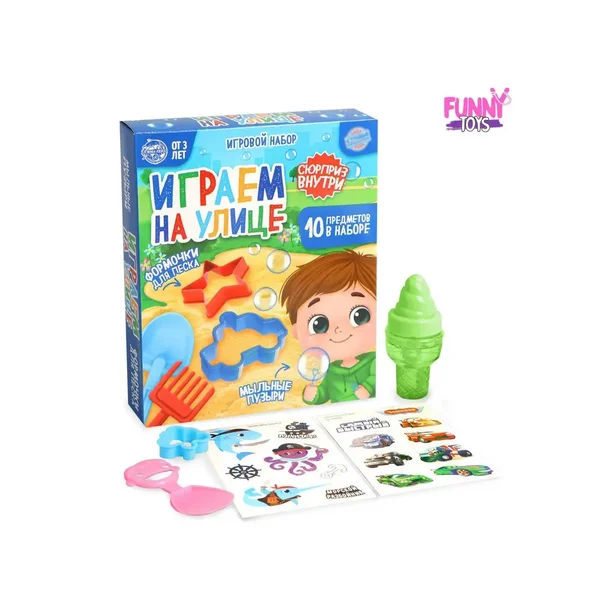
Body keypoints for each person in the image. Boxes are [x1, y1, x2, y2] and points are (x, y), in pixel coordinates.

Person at [280, 249, 376, 404]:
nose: (338, 329)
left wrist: (368, 387)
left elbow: (378, 377)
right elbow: (324, 393)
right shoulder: (331, 371)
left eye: (360, 316)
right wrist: (313, 395)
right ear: (297, 330)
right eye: (319, 325)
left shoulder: (373, 361)